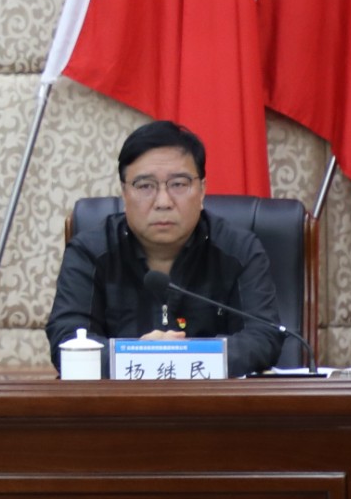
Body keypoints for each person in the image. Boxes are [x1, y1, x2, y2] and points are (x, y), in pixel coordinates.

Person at [44, 120, 284, 377]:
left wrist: (183, 356)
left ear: (202, 190)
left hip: (212, 400)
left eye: (178, 184)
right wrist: (141, 356)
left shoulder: (239, 250)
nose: (163, 202)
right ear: (124, 193)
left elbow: (263, 337)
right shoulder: (90, 252)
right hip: (119, 402)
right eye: (145, 186)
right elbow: (66, 340)